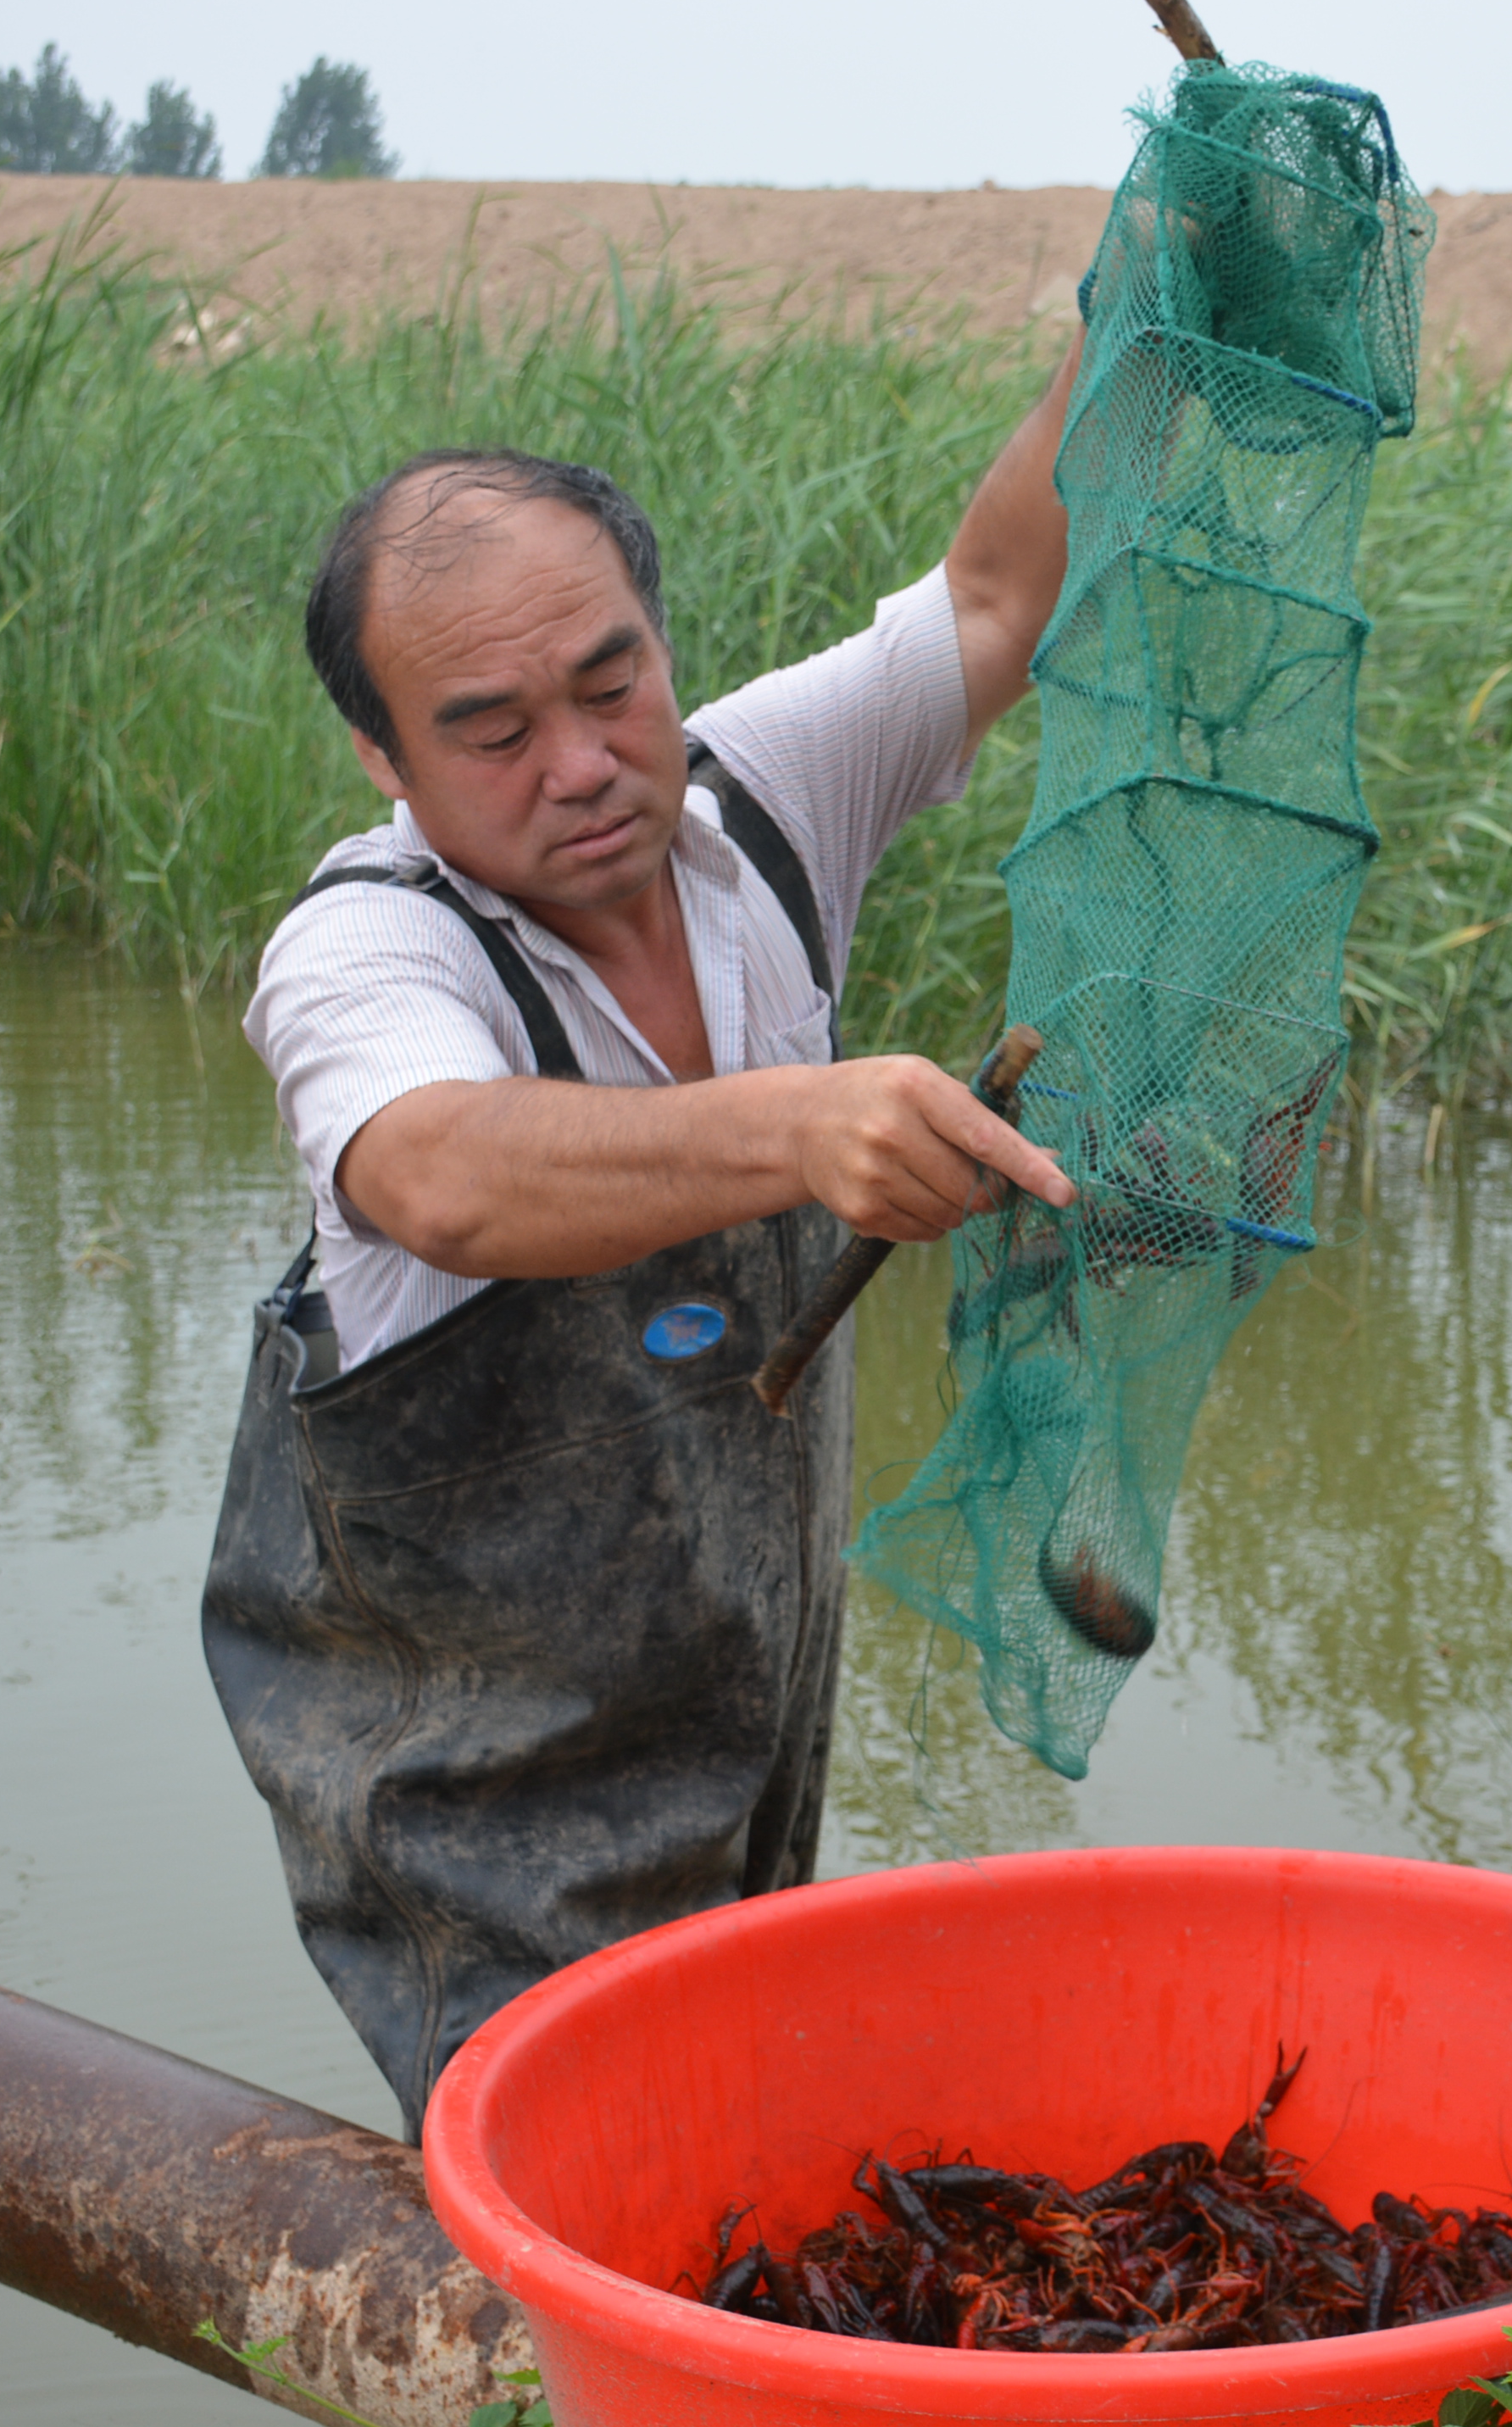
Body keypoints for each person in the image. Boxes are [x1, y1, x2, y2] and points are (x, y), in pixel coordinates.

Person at [203, 347, 1083, 2134]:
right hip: (476, 1814)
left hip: (741, 1718)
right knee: (564, 2230)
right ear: (385, 755)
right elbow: (440, 1175)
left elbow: (995, 596)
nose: (588, 764)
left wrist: (1136, 297)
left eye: (614, 685)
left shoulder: (755, 801)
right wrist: (795, 1125)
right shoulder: (371, 954)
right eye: (493, 731)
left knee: (735, 2177)